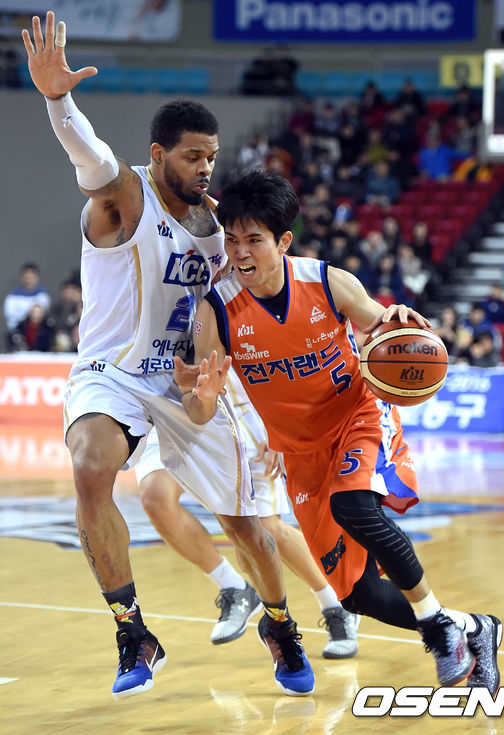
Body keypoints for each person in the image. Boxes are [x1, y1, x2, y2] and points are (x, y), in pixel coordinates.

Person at [21, 11, 314, 700]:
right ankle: (133, 632)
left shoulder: (218, 225)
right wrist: (58, 101)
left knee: (246, 522)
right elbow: (90, 158)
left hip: (187, 378)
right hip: (115, 374)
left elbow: (252, 287)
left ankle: (280, 623)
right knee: (90, 468)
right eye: (191, 156)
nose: (204, 166)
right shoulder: (123, 196)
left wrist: (222, 385)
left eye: (211, 156)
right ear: (158, 155)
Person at [176, 168, 503, 696]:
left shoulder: (329, 282)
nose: (240, 252)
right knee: (357, 595)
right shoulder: (216, 310)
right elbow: (196, 410)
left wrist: (396, 322)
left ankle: (439, 632)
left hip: (357, 416)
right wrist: (204, 400)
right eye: (232, 240)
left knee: (354, 506)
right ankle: (472, 627)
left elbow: (385, 328)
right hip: (300, 453)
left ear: (283, 241)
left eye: (254, 240)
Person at [136, 369, 360, 658]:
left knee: (265, 530)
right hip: (172, 414)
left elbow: (273, 357)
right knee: (155, 497)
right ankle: (233, 587)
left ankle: (336, 604)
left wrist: (278, 426)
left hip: (241, 412)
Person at [3, 262, 51, 349]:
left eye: (31, 277)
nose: (29, 279)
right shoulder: (13, 295)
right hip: (18, 330)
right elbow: (10, 314)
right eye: (26, 277)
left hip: (37, 331)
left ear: (36, 278)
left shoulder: (42, 294)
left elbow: (40, 311)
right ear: (22, 277)